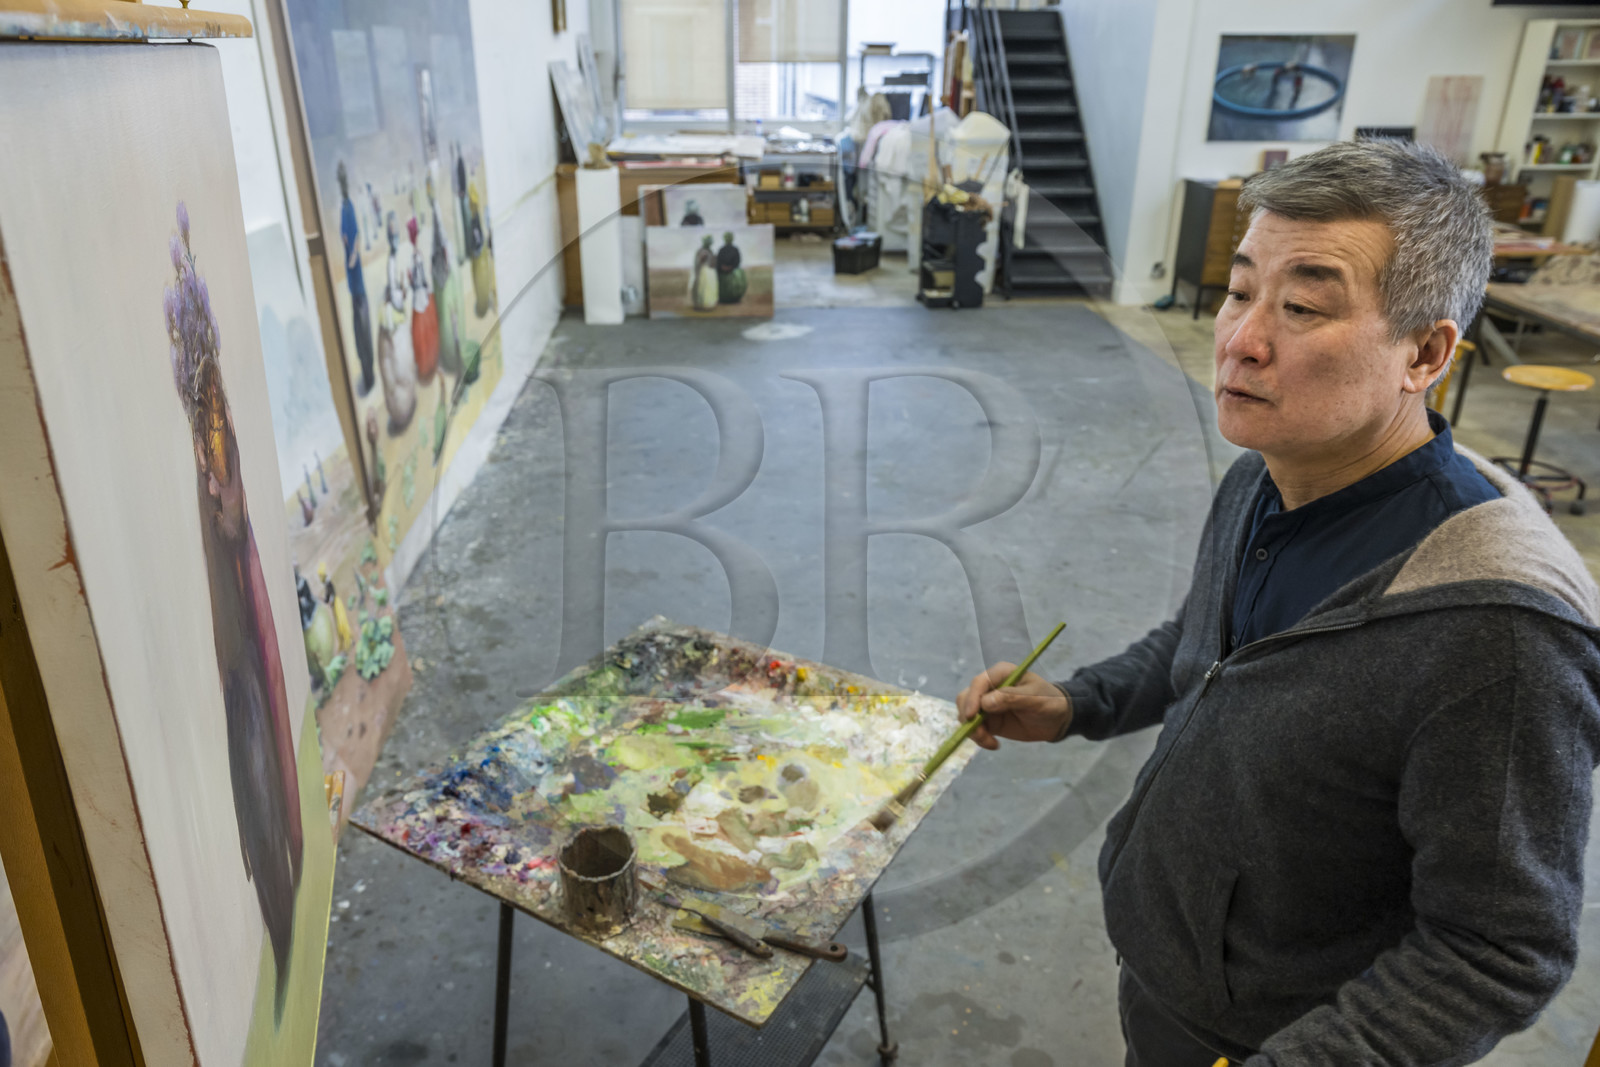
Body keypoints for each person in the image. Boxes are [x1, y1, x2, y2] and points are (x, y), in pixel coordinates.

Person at [959, 140, 1600, 1066]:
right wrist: (1077, 703)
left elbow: (1498, 948)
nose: (1242, 338)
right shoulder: (1272, 474)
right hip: (1172, 968)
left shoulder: (1497, 635)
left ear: (1423, 352)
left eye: (1301, 306)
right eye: (1239, 289)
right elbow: (1207, 641)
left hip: (1279, 1030)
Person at [338, 162, 375, 395]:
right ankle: (366, 370)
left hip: (357, 283)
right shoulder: (344, 208)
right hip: (353, 284)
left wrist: (353, 254)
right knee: (358, 330)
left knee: (363, 328)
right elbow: (345, 235)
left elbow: (355, 236)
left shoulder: (349, 207)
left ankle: (369, 372)